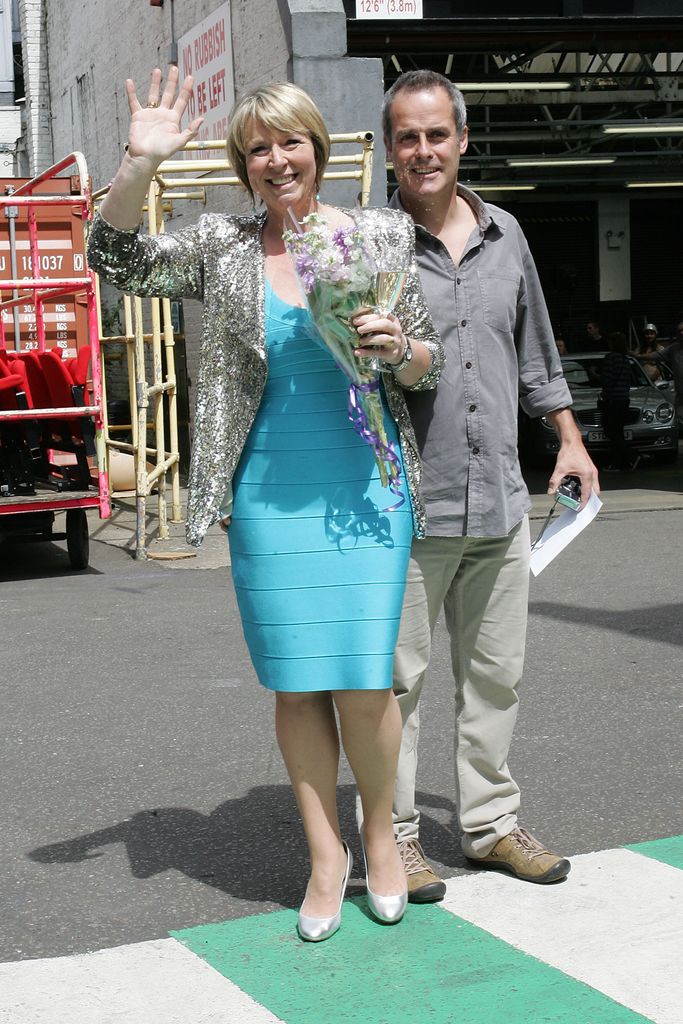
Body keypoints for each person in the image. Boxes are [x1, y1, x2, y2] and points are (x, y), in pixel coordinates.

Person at [87, 67, 443, 941]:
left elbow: (425, 358)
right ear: (244, 165)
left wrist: (398, 347)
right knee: (295, 684)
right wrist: (138, 167)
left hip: (365, 484)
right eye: (257, 148)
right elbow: (117, 259)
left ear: (317, 150)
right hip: (269, 489)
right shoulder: (225, 244)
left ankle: (379, 838)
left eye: (289, 142)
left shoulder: (381, 238)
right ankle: (325, 856)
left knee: (364, 680)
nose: (276, 160)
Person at [379, 69, 600, 901]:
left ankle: (488, 825)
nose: (424, 150)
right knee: (397, 683)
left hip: (499, 496)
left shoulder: (506, 233)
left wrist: (570, 443)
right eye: (408, 136)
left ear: (462, 139)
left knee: (495, 673)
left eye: (437, 134)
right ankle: (394, 835)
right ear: (391, 148)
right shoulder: (370, 244)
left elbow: (536, 353)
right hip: (407, 502)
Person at [601, 332, 639, 472]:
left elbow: (607, 380)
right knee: (618, 431)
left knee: (611, 431)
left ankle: (632, 455)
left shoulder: (611, 358)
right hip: (624, 399)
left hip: (613, 399)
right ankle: (620, 463)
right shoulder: (626, 359)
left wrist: (594, 374)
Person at [660, 321, 683, 427]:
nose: (681, 333)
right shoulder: (673, 348)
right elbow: (658, 355)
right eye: (679, 331)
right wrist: (638, 355)